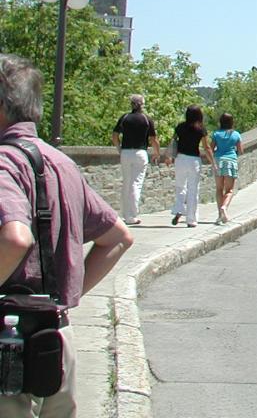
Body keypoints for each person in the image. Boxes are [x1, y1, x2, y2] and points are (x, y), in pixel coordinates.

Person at [0, 54, 133, 417]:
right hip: (58, 339)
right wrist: (59, 299)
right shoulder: (61, 164)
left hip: (7, 343)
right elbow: (118, 237)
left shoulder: (3, 162)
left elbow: (15, 238)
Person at [110, 94, 161, 226]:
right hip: (140, 152)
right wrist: (156, 152)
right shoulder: (146, 119)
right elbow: (153, 139)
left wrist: (119, 148)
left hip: (126, 152)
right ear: (142, 105)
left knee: (126, 182)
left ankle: (125, 214)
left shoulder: (125, 118)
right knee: (136, 183)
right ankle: (132, 215)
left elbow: (115, 135)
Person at [167, 106, 213, 228]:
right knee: (193, 189)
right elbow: (206, 147)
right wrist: (213, 162)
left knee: (180, 186)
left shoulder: (180, 126)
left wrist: (169, 156)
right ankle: (191, 219)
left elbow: (173, 142)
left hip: (180, 159)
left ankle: (179, 209)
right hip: (194, 161)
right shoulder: (200, 129)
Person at [210, 113, 243, 225]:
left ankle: (220, 215)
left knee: (219, 189)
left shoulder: (216, 134)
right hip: (231, 161)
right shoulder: (236, 134)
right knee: (229, 190)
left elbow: (211, 148)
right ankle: (224, 207)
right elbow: (240, 150)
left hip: (218, 161)